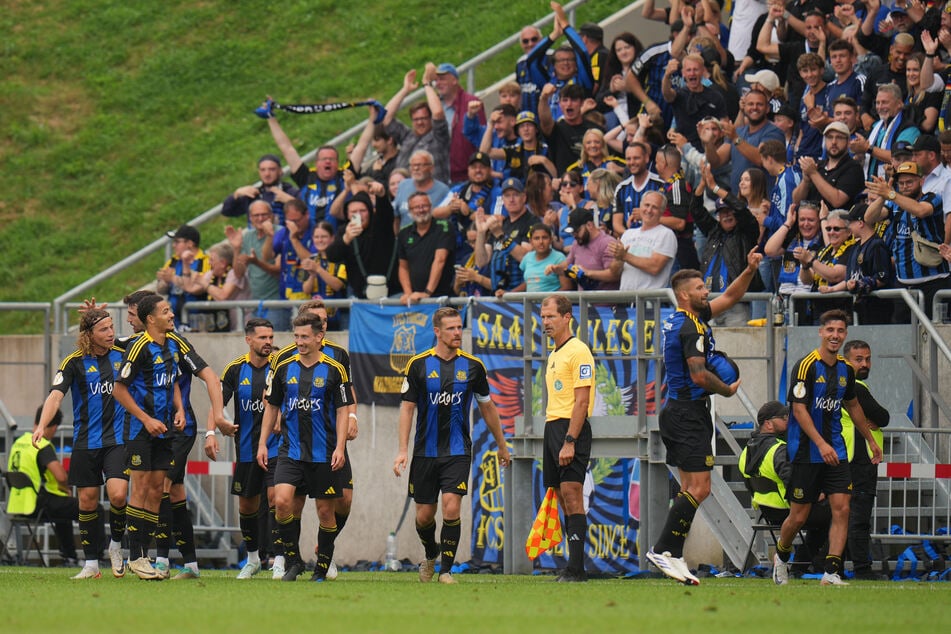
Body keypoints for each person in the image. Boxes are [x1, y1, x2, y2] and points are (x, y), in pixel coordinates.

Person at [646, 248, 764, 586]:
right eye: (699, 289)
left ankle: (673, 554)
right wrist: (727, 391)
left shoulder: (688, 319)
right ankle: (663, 549)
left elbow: (730, 296)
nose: (706, 292)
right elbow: (699, 375)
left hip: (678, 411)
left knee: (689, 487)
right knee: (700, 488)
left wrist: (750, 268)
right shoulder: (691, 330)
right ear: (685, 294)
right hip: (688, 413)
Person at [393, 307, 511, 584]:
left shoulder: (473, 367)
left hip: (457, 451)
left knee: (451, 507)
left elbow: (488, 408)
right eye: (452, 328)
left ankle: (446, 570)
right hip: (425, 451)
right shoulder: (418, 365)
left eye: (460, 327)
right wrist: (401, 450)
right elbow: (407, 409)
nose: (458, 333)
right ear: (437, 332)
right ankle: (431, 552)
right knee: (424, 517)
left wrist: (502, 445)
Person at [773, 309, 883, 587]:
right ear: (821, 332)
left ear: (845, 334)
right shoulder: (806, 366)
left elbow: (854, 405)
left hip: (837, 453)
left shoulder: (846, 369)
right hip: (806, 453)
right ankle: (780, 558)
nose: (835, 335)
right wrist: (820, 444)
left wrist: (869, 440)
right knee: (798, 516)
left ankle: (831, 571)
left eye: (840, 331)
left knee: (842, 509)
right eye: (830, 330)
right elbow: (798, 410)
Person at [257, 313, 352, 582]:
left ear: (319, 337)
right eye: (296, 336)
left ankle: (321, 568)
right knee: (282, 501)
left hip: (324, 452)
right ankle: (294, 561)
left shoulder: (335, 369)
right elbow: (272, 406)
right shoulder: (285, 368)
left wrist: (340, 447)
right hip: (291, 451)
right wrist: (263, 443)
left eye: (304, 336)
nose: (299, 341)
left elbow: (344, 411)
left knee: (325, 511)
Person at [33, 309, 126, 579]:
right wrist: (41, 425)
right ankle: (91, 565)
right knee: (86, 502)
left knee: (119, 495)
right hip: (86, 441)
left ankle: (116, 545)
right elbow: (55, 396)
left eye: (111, 327)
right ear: (89, 335)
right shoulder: (74, 362)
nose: (110, 333)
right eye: (104, 329)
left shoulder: (123, 353)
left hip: (118, 439)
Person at [111, 295, 186, 580]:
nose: (171, 314)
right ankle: (136, 556)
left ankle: (146, 555)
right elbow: (119, 389)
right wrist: (146, 418)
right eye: (166, 311)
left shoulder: (172, 345)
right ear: (151, 319)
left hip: (164, 429)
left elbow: (173, 381)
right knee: (140, 488)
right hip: (141, 430)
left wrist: (179, 409)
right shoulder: (139, 347)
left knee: (157, 490)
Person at [537, 294, 594, 582]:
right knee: (560, 496)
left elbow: (581, 402)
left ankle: (577, 569)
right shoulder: (555, 352)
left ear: (567, 317)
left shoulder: (578, 351)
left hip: (571, 429)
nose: (545, 322)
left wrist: (570, 440)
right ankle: (574, 565)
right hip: (552, 426)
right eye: (543, 317)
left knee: (572, 494)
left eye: (551, 317)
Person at [739, 401, 832, 571]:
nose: (789, 420)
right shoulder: (779, 450)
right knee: (840, 513)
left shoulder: (745, 451)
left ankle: (801, 565)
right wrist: (817, 493)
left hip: (767, 512)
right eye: (784, 417)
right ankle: (821, 566)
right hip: (788, 511)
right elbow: (795, 484)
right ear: (768, 423)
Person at [218, 318, 275, 579]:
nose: (268, 342)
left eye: (271, 337)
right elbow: (217, 402)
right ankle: (252, 559)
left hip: (278, 449)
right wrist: (213, 429)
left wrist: (281, 416)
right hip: (246, 449)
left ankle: (281, 558)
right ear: (248, 340)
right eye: (263, 338)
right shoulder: (235, 369)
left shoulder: (282, 367)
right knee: (247, 506)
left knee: (279, 500)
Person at [865, 161, 950, 322]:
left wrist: (891, 194)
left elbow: (921, 210)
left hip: (934, 282)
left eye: (909, 182)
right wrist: (883, 197)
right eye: (901, 183)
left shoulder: (933, 198)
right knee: (904, 336)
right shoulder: (893, 203)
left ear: (921, 181)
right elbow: (869, 218)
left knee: (935, 334)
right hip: (903, 284)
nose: (905, 186)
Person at [840, 339, 890, 579]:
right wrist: (873, 420)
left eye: (868, 359)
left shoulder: (840, 384)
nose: (865, 364)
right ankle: (862, 569)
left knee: (842, 518)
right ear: (846, 360)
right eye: (858, 359)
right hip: (859, 461)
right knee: (858, 519)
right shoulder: (856, 387)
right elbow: (883, 417)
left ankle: (831, 567)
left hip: (848, 459)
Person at [9, 407, 80, 568]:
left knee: (63, 508)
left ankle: (70, 557)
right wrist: (66, 487)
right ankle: (96, 557)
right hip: (35, 504)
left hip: (17, 503)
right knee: (89, 507)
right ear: (54, 427)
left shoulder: (18, 442)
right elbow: (61, 477)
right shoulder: (41, 444)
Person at [265, 108, 345, 229]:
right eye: (323, 159)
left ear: (338, 163)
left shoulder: (344, 176)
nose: (328, 162)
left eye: (332, 159)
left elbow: (362, 146)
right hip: (310, 238)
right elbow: (286, 148)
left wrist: (372, 119)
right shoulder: (307, 177)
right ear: (316, 163)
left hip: (338, 237)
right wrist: (271, 118)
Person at [820, 203, 892, 324]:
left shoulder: (876, 245)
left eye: (851, 222)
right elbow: (850, 279)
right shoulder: (855, 247)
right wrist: (832, 289)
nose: (849, 227)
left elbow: (882, 277)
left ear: (860, 223)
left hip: (877, 310)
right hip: (860, 310)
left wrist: (862, 284)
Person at [325, 188, 400, 299]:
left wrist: (381, 196)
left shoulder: (380, 226)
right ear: (347, 215)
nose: (358, 215)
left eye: (363, 211)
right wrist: (346, 239)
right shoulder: (344, 231)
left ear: (370, 212)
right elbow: (332, 256)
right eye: (354, 212)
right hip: (360, 297)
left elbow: (386, 213)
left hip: (391, 294)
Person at [382, 68, 451, 184]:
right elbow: (385, 117)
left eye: (423, 118)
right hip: (406, 194)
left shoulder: (439, 137)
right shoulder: (407, 136)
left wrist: (427, 85)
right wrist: (405, 90)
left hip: (433, 195)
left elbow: (438, 113)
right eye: (416, 120)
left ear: (430, 119)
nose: (419, 122)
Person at [473, 177, 534, 293]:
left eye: (515, 195)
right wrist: (481, 233)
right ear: (502, 200)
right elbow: (481, 261)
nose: (511, 199)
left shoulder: (531, 222)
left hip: (521, 297)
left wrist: (501, 235)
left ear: (524, 197)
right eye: (507, 196)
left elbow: (526, 259)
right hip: (498, 295)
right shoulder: (503, 224)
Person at [608, 190, 677, 290]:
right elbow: (614, 273)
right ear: (640, 207)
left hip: (650, 302)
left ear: (662, 211)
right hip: (625, 300)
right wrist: (618, 259)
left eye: (654, 207)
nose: (649, 210)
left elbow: (655, 267)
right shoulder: (628, 234)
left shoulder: (666, 234)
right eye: (647, 205)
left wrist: (625, 256)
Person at [397, 192, 455, 303]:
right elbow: (403, 267)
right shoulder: (404, 232)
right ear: (410, 210)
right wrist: (408, 293)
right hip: (415, 298)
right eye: (416, 207)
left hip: (441, 298)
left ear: (431, 207)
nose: (421, 210)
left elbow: (440, 260)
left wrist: (427, 293)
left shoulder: (444, 226)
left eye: (424, 206)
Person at [224, 200, 282, 312]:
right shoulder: (248, 236)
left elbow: (279, 271)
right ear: (250, 218)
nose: (260, 219)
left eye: (264, 215)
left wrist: (256, 262)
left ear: (272, 216)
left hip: (277, 302)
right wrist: (237, 249)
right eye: (256, 215)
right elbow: (239, 273)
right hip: (256, 302)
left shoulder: (280, 233)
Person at [432, 62, 485, 184]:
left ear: (454, 80)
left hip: (467, 173)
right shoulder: (436, 106)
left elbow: (481, 137)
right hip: (442, 175)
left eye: (442, 79)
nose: (438, 83)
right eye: (436, 80)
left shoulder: (471, 103)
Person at [662, 53, 727, 151]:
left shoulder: (715, 96)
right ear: (683, 73)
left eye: (696, 69)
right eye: (688, 70)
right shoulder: (679, 95)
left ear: (702, 71)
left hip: (708, 151)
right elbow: (667, 94)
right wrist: (667, 75)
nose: (692, 73)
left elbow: (724, 124)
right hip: (682, 150)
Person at [794, 122, 866, 210]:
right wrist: (805, 180)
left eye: (839, 138)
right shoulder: (818, 165)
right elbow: (796, 201)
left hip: (837, 221)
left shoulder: (853, 168)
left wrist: (813, 173)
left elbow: (837, 200)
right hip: (810, 221)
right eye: (830, 137)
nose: (834, 142)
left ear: (848, 142)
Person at [548, 208, 621, 291]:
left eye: (577, 231)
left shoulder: (608, 243)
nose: (574, 235)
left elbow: (615, 275)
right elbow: (567, 265)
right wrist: (555, 268)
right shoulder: (577, 243)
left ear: (589, 225)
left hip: (607, 302)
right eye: (572, 233)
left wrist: (588, 273)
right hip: (584, 301)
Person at [221, 154, 300, 227]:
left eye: (272, 169)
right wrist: (236, 194)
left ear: (280, 171)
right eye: (263, 170)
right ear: (259, 172)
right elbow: (226, 211)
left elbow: (308, 213)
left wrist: (290, 201)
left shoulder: (290, 192)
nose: (267, 174)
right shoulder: (253, 195)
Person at [155, 224, 210, 326]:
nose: (173, 245)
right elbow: (160, 290)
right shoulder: (173, 261)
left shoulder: (205, 261)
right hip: (173, 320)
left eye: (177, 242)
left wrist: (172, 278)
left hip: (197, 320)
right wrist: (164, 282)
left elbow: (198, 287)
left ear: (189, 243)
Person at [611, 142, 665, 236]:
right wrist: (631, 235)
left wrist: (644, 216)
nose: (632, 162)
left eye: (636, 158)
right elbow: (616, 223)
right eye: (628, 159)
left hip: (655, 240)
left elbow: (670, 218)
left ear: (646, 158)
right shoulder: (621, 188)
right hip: (631, 242)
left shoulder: (660, 184)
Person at [502, 223, 570, 295]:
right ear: (531, 242)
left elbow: (567, 287)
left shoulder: (559, 258)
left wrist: (548, 301)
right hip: (530, 305)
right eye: (536, 238)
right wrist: (508, 294)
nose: (541, 242)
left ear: (551, 240)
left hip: (551, 305)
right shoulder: (527, 258)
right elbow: (529, 282)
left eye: (544, 237)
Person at [393, 149, 451, 229]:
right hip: (405, 238)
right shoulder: (403, 185)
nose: (416, 168)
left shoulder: (443, 190)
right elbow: (396, 217)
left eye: (421, 165)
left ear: (431, 168)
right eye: (413, 165)